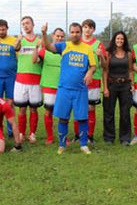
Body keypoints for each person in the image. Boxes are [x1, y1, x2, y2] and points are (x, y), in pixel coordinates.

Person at [41, 22, 96, 154]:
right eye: (72, 32)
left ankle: (83, 144)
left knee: (82, 117)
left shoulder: (87, 48)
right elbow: (48, 46)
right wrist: (44, 34)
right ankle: (62, 145)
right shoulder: (64, 46)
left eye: (77, 32)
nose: (75, 34)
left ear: (81, 33)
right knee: (63, 118)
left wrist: (89, 72)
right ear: (69, 33)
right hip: (64, 89)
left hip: (80, 89)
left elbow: (93, 66)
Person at [72, 19, 107, 144]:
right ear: (82, 28)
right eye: (85, 27)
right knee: (78, 108)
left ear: (94, 30)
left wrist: (101, 56)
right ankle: (77, 135)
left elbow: (105, 66)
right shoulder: (76, 42)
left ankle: (90, 136)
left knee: (91, 108)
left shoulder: (98, 44)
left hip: (94, 80)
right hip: (78, 80)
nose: (88, 30)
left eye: (90, 27)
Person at [32, 27, 65, 144]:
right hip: (49, 85)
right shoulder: (45, 49)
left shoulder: (66, 49)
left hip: (63, 85)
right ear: (53, 35)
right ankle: (50, 137)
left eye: (62, 36)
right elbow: (34, 60)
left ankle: (63, 138)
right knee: (48, 111)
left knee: (63, 113)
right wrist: (36, 48)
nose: (60, 38)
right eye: (57, 36)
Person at [14, 16, 43, 143]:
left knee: (33, 108)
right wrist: (18, 41)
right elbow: (15, 48)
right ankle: (21, 133)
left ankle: (32, 133)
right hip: (21, 79)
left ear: (33, 24)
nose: (25, 26)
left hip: (35, 79)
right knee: (21, 108)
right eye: (23, 24)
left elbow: (38, 60)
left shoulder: (39, 41)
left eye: (27, 23)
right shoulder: (20, 40)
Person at [102, 31, 133, 146]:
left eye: (122, 39)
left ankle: (125, 138)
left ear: (124, 41)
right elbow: (105, 70)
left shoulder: (128, 54)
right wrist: (105, 88)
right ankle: (109, 138)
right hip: (111, 85)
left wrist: (132, 84)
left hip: (125, 85)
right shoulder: (109, 53)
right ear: (114, 40)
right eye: (117, 38)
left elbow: (130, 70)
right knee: (109, 112)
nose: (119, 41)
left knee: (125, 113)